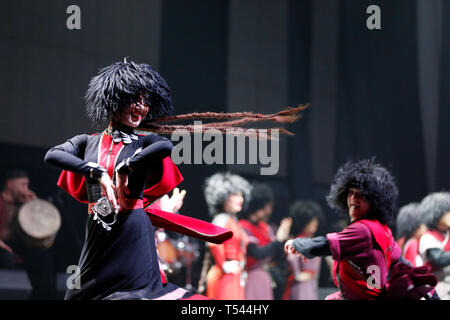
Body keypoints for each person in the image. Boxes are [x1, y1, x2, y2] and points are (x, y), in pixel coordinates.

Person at [44, 59, 231, 300]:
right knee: (76, 297)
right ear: (114, 99)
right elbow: (53, 155)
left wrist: (128, 165)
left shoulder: (144, 142)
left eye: (145, 102)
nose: (141, 108)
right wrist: (96, 171)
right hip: (98, 232)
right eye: (134, 100)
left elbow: (166, 145)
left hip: (133, 228)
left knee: (133, 296)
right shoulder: (87, 142)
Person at [284, 158, 437, 300]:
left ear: (375, 200)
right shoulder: (383, 230)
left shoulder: (362, 229)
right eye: (351, 192)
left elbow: (326, 244)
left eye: (361, 195)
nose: (353, 198)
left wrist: (297, 244)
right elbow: (403, 264)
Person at [0, 169, 57, 299]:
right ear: (10, 184)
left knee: (44, 258)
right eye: (23, 185)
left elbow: (42, 232)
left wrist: (35, 206)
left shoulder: (23, 204)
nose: (26, 189)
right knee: (5, 257)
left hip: (18, 246)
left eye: (27, 185)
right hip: (2, 247)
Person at [202, 172, 252, 300]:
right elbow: (213, 243)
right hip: (224, 275)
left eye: (241, 195)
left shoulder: (233, 220)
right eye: (235, 194)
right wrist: (223, 265)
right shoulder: (222, 219)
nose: (240, 199)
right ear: (222, 197)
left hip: (233, 274)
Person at [238, 183, 292, 300]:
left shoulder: (265, 227)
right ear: (264, 206)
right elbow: (257, 253)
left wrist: (283, 241)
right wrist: (278, 240)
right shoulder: (243, 226)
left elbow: (276, 254)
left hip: (264, 276)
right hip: (250, 277)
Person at [283, 200, 323, 300]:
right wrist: (297, 275)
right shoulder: (300, 241)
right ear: (304, 222)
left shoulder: (309, 240)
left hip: (310, 283)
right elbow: (291, 258)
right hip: (302, 286)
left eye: (316, 220)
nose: (315, 223)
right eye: (312, 220)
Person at [418, 192, 450, 300]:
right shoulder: (428, 238)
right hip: (438, 288)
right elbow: (439, 259)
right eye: (446, 212)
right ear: (437, 215)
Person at [396, 202, 427, 267]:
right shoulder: (413, 244)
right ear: (416, 226)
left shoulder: (402, 242)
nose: (425, 227)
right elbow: (416, 267)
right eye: (423, 223)